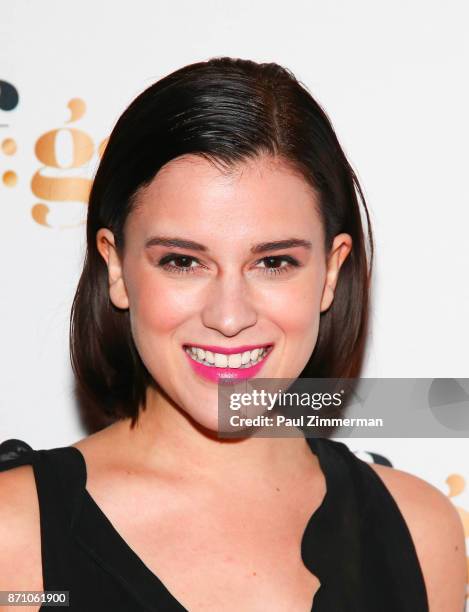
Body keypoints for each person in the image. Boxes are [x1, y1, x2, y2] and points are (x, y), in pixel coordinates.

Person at [0, 57, 466, 612]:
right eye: (181, 261)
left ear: (332, 273)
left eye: (273, 263)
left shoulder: (419, 533)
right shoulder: (15, 538)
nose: (228, 316)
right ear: (117, 269)